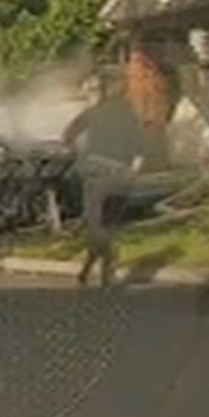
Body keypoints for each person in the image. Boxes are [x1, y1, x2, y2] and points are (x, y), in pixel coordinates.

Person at [62, 74, 145, 286]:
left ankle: (105, 267)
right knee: (108, 224)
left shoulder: (90, 114)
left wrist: (78, 153)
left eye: (89, 91)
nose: (88, 95)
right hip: (123, 175)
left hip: (98, 171)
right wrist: (134, 166)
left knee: (95, 223)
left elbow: (67, 136)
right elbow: (140, 148)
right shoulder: (127, 113)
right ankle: (89, 268)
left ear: (94, 93)